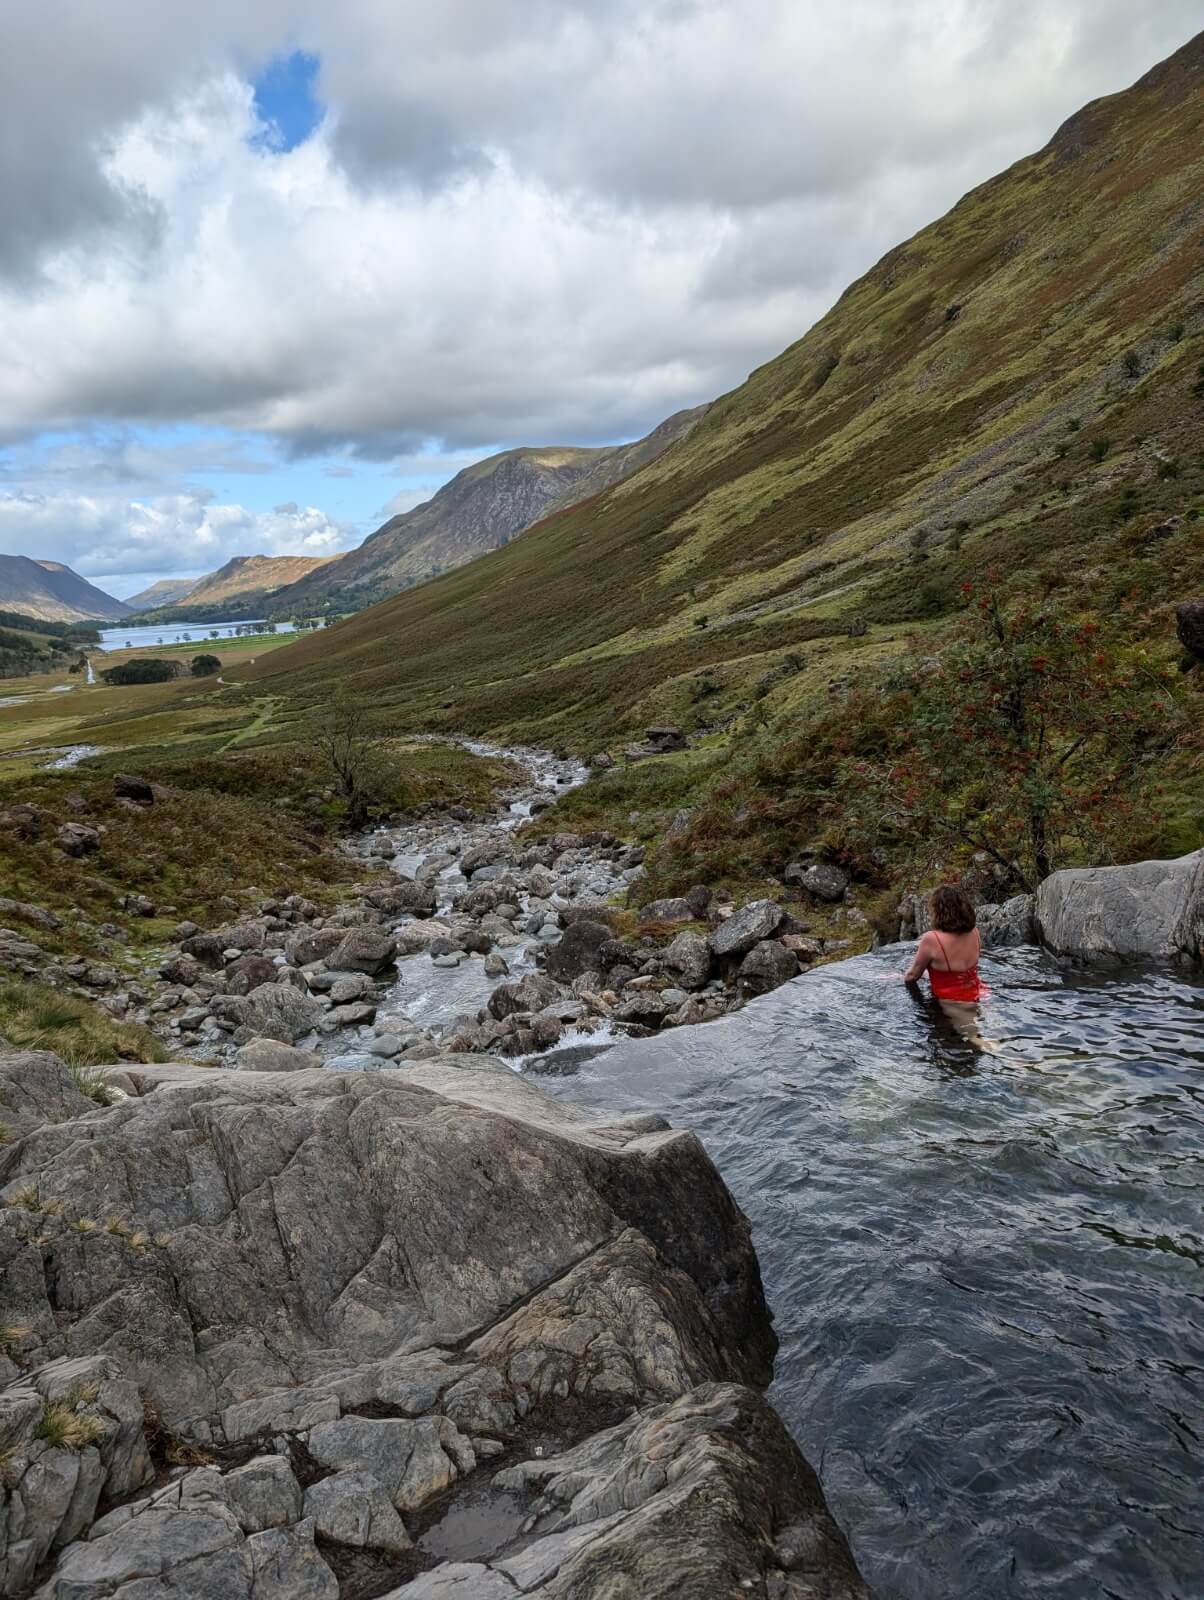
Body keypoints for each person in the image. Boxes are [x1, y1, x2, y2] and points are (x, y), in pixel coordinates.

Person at [903, 885, 983, 1003]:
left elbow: (912, 976)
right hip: (979, 992)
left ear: (938, 911)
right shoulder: (974, 931)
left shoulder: (932, 939)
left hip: (953, 1002)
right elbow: (954, 972)